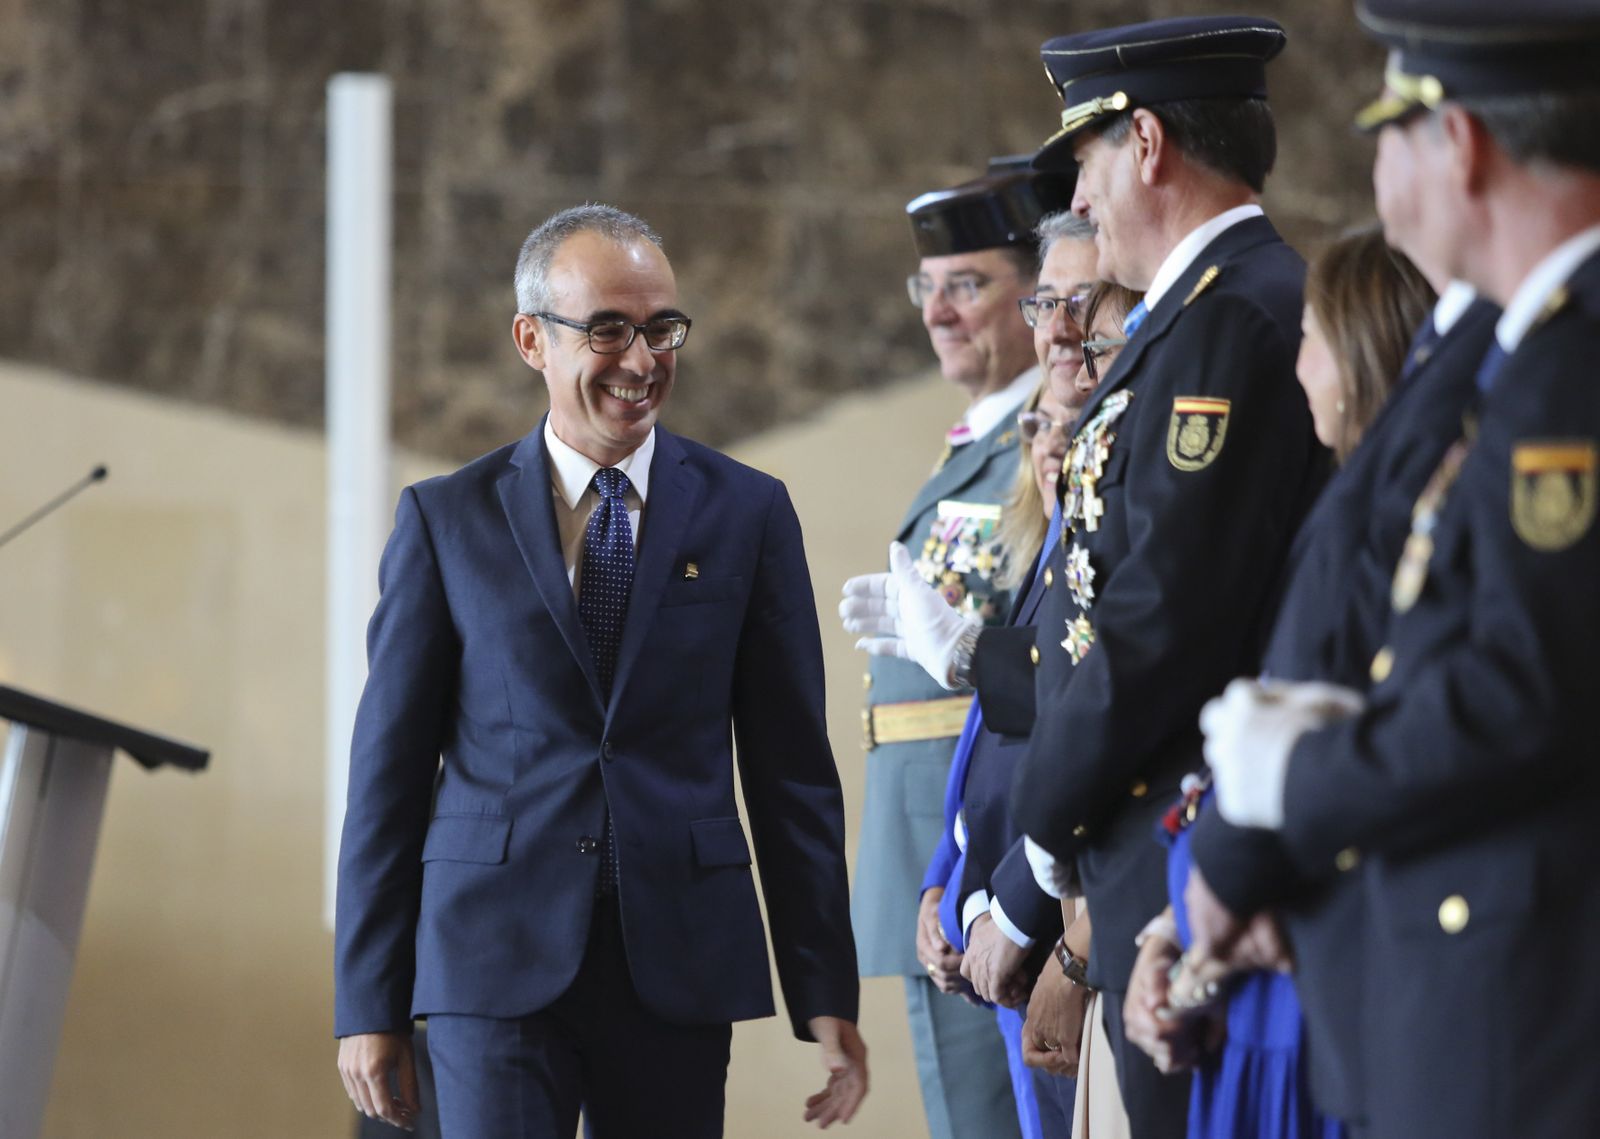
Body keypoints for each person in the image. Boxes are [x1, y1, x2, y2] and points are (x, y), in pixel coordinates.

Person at [333, 204, 867, 1138]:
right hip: (490, 955)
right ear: (532, 339)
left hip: (678, 954)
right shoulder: (445, 520)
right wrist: (368, 999)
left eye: (663, 327)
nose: (644, 358)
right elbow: (387, 776)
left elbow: (791, 770)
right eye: (609, 328)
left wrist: (823, 984)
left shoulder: (748, 512)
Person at [1202, 2, 1600, 1136]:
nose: (1375, 159)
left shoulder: (1570, 361)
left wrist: (1308, 773)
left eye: (1388, 125)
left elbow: (1529, 687)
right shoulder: (1531, 347)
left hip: (1521, 1006)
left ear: (1457, 141)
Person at [931, 17, 1326, 1138]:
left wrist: (1033, 867)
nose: (1085, 201)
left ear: (1145, 141)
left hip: (1174, 850)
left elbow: (1164, 620)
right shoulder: (1192, 319)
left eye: (1090, 164)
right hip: (1136, 854)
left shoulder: (1233, 319)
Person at [1122, 225, 1439, 1139]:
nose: (1299, 367)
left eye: (1312, 340)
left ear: (1359, 351)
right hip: (1248, 955)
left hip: (1306, 984)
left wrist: (1207, 913)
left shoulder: (1368, 526)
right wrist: (1171, 925)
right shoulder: (1346, 506)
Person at [854, 158, 1072, 1139]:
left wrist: (962, 863)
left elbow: (1041, 661)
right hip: (935, 845)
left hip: (987, 852)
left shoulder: (1045, 437)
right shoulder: (972, 444)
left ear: (1036, 293)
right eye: (926, 288)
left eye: (967, 284)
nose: (938, 311)